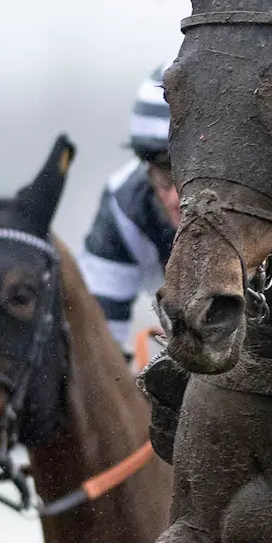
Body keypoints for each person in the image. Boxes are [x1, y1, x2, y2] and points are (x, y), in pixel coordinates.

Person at [80, 66, 180, 350]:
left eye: (195, 174)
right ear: (146, 168)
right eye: (165, 171)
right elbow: (100, 349)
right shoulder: (123, 208)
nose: (177, 199)